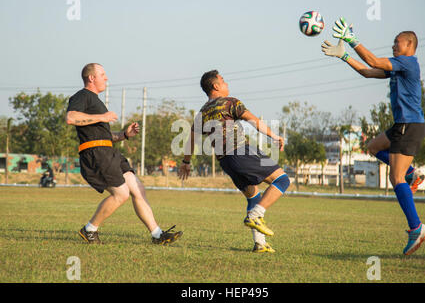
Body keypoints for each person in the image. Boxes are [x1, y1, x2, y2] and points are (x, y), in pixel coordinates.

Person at [321, 18, 425, 255]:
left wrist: (352, 40)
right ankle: (412, 175)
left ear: (410, 45)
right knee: (371, 147)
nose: (393, 46)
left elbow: (372, 60)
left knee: (395, 178)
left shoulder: (408, 63)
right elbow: (367, 71)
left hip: (409, 126)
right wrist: (344, 56)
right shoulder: (398, 66)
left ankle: (416, 228)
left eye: (397, 42)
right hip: (400, 126)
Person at [66, 63, 182, 245]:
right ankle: (89, 229)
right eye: (102, 74)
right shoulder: (82, 96)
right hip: (96, 154)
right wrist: (102, 117)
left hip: (109, 151)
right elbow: (71, 118)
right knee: (121, 194)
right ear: (91, 78)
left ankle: (157, 235)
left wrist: (124, 135)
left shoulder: (96, 101)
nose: (106, 78)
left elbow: (104, 136)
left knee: (138, 188)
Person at [178, 70, 290, 253]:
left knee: (253, 195)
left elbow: (191, 139)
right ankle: (256, 215)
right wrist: (274, 136)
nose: (226, 83)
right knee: (282, 180)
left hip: (226, 162)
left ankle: (260, 244)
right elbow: (254, 121)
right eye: (223, 81)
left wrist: (186, 161)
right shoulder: (230, 102)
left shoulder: (203, 112)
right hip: (240, 151)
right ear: (215, 86)